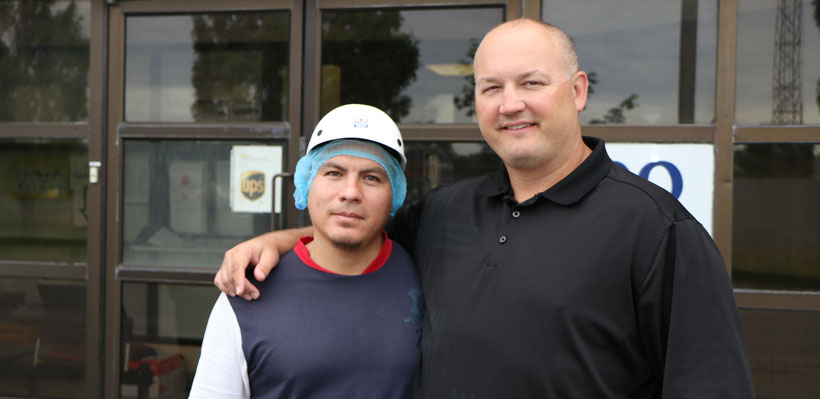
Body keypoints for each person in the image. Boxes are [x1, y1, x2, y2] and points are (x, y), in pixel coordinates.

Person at [215, 18, 755, 398]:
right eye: (490, 87)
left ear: (578, 91)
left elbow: (710, 386)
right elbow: (353, 229)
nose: (510, 103)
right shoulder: (446, 212)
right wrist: (279, 241)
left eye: (531, 83)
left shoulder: (659, 231)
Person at [190, 104, 424, 399]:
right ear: (306, 183)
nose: (351, 192)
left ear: (396, 194)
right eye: (334, 172)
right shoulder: (246, 292)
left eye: (371, 177)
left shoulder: (427, 275)